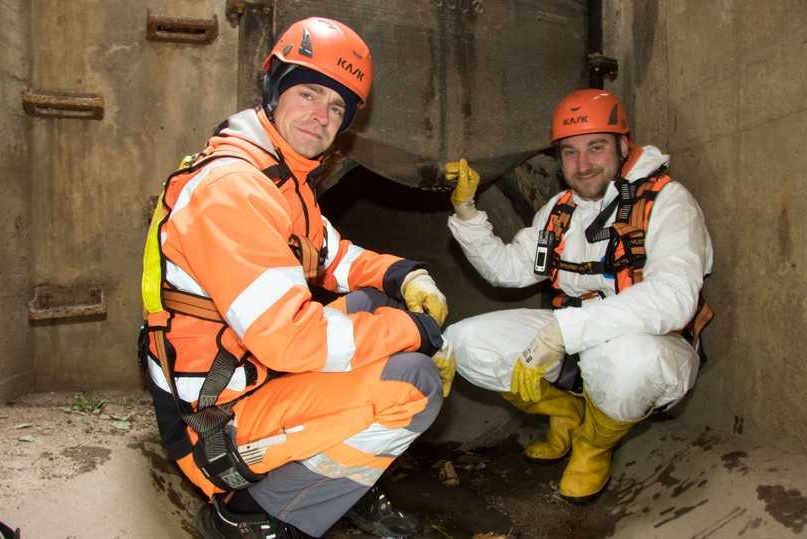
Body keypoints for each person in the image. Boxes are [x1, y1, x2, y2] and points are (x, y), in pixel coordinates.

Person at [140, 17, 450, 538]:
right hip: (214, 425)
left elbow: (334, 256)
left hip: (253, 375)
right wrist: (415, 331)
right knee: (414, 382)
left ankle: (338, 482)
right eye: (309, 94)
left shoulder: (281, 179)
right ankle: (252, 514)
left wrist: (403, 275)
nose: (321, 116)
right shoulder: (233, 188)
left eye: (337, 108)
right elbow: (288, 340)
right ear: (273, 89)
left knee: (374, 302)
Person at [434, 89, 713, 502]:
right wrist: (467, 212)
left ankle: (592, 445)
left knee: (628, 361)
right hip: (571, 341)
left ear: (623, 146)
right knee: (463, 342)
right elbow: (507, 270)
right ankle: (565, 413)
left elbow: (674, 297)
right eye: (570, 152)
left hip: (647, 345)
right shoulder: (559, 209)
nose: (582, 165)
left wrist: (565, 331)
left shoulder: (667, 201)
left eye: (596, 147)